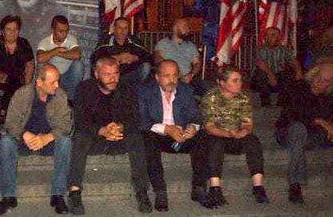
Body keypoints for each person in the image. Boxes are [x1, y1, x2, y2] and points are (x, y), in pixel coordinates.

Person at [67, 57, 152, 215]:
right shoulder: (84, 89)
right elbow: (80, 121)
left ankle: (142, 192)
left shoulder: (126, 88)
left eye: (116, 74)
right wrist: (101, 130)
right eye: (107, 74)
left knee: (137, 138)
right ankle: (74, 192)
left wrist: (121, 127)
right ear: (96, 74)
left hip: (118, 138)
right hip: (94, 139)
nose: (113, 78)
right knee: (80, 137)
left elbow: (135, 119)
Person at [0, 64, 72, 215]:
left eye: (58, 81)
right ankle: (8, 196)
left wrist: (48, 137)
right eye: (53, 82)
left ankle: (58, 195)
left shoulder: (60, 95)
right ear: (39, 82)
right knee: (6, 141)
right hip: (23, 142)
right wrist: (24, 134)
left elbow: (65, 125)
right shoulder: (22, 94)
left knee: (65, 141)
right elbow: (10, 123)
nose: (57, 85)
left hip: (48, 142)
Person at [138, 60, 213, 211]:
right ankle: (160, 191)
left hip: (181, 134)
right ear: (157, 77)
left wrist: (192, 127)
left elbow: (196, 117)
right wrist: (167, 129)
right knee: (146, 138)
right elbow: (142, 121)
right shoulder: (145, 91)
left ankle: (198, 187)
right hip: (158, 134)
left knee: (204, 137)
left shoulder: (186, 90)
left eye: (174, 76)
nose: (171, 80)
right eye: (166, 76)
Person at [201, 66, 269, 206]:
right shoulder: (211, 97)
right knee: (215, 141)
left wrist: (242, 132)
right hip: (217, 135)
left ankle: (258, 187)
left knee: (253, 140)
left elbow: (247, 124)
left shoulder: (243, 98)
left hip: (235, 136)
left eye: (240, 80)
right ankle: (215, 188)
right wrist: (227, 133)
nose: (240, 84)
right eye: (235, 81)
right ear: (222, 82)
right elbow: (210, 127)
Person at [275, 63, 333, 204]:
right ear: (313, 75)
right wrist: (319, 121)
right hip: (287, 132)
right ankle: (295, 183)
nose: (319, 82)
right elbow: (292, 115)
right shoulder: (298, 88)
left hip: (312, 136)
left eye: (325, 80)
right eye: (318, 77)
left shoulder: (329, 98)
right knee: (298, 129)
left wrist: (329, 124)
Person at [0, 15, 35, 115]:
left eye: (15, 29)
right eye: (8, 29)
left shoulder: (24, 43)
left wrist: (27, 85)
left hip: (14, 81)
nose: (12, 32)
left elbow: (30, 65)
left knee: (19, 95)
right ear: (2, 31)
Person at [92, 17, 152, 86]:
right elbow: (94, 59)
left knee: (146, 66)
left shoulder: (135, 41)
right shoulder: (105, 42)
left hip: (130, 76)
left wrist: (135, 58)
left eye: (125, 28)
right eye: (120, 28)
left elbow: (149, 57)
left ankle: (138, 93)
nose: (123, 31)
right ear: (114, 29)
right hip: (112, 76)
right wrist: (116, 58)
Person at [252, 27, 303, 106]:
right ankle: (266, 103)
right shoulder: (260, 49)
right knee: (260, 73)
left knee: (288, 74)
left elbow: (293, 61)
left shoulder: (284, 49)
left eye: (273, 35)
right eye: (267, 35)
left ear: (279, 37)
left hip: (278, 77)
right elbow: (261, 64)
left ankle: (282, 102)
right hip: (262, 79)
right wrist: (272, 76)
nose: (269, 37)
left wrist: (298, 71)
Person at [37, 15, 83, 102]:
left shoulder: (71, 39)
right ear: (52, 30)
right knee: (41, 67)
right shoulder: (45, 42)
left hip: (67, 77)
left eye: (66, 31)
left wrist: (58, 53)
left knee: (78, 65)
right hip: (52, 78)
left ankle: (70, 100)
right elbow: (40, 59)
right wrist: (55, 50)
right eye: (61, 31)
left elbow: (77, 55)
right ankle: (45, 99)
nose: (64, 34)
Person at [154, 19, 204, 95]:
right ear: (175, 28)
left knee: (206, 87)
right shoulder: (163, 43)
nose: (188, 29)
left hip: (187, 78)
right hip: (169, 77)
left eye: (188, 27)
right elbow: (158, 59)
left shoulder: (191, 46)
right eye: (184, 27)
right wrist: (175, 74)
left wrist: (191, 75)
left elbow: (197, 63)